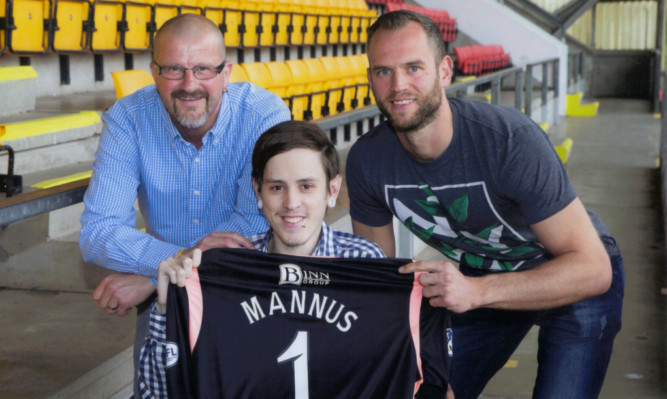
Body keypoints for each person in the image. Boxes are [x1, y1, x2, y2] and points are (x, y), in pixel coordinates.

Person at [346, 10, 624, 399]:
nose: (398, 85)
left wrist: (476, 293)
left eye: (413, 68)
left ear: (445, 71)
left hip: (570, 276)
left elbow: (593, 270)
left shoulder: (508, 141)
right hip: (481, 279)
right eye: (383, 72)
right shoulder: (367, 161)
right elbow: (378, 279)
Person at [78, 13, 290, 397]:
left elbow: (259, 226)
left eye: (203, 69)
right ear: (154, 72)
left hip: (245, 293)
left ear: (227, 73)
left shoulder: (264, 115)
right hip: (166, 305)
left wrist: (153, 276)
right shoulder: (128, 119)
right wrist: (181, 261)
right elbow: (98, 231)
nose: (189, 85)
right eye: (174, 69)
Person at [138, 120, 410, 397]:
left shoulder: (364, 262)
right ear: (258, 191)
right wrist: (165, 310)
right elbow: (158, 392)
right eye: (277, 188)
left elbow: (393, 374)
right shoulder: (226, 272)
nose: (291, 203)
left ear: (332, 190)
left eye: (306, 186)